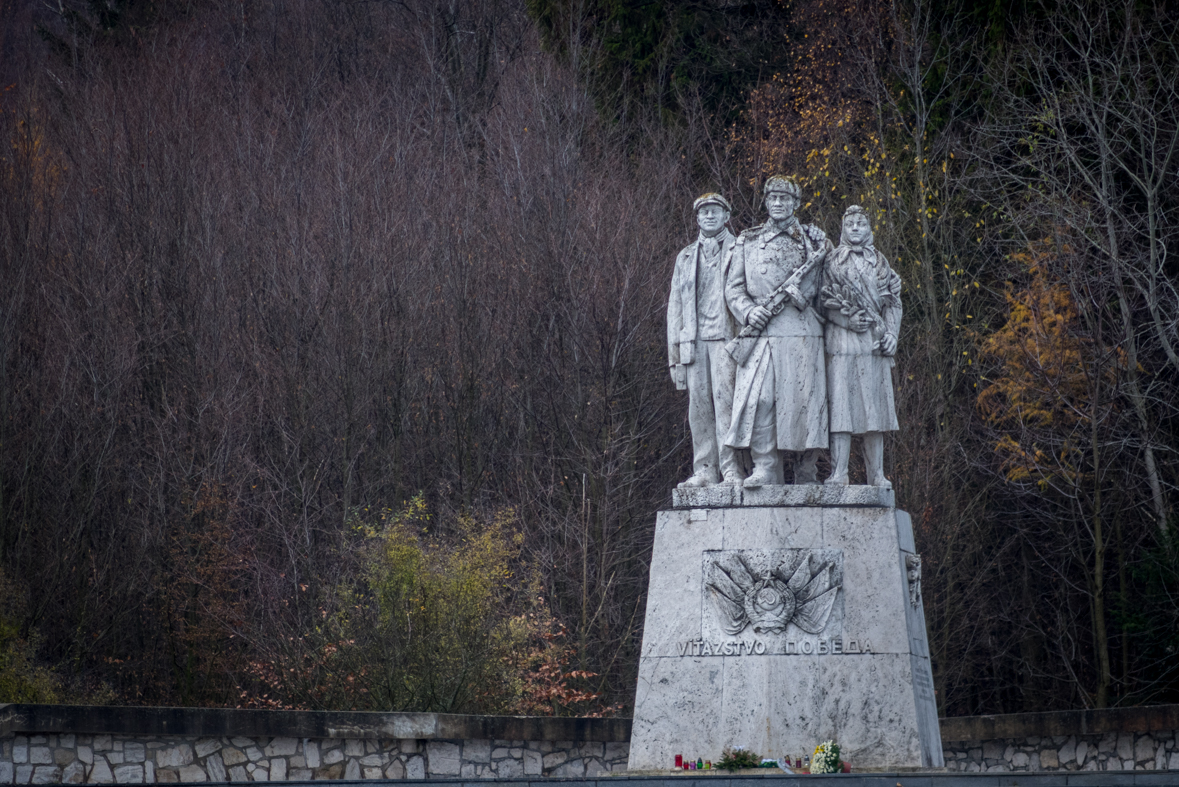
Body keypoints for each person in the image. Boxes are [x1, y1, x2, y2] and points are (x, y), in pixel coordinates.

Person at [723, 176, 830, 487]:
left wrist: (805, 297)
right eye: (773, 198)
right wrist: (748, 311)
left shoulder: (813, 241)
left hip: (800, 331)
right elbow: (734, 289)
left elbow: (827, 285)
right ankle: (766, 467)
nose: (778, 203)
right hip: (762, 331)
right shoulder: (748, 239)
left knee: (804, 403)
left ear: (796, 204)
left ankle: (806, 471)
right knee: (761, 401)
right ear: (766, 202)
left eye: (785, 198)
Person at [820, 204, 901, 488]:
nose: (855, 228)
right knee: (841, 411)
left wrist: (892, 333)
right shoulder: (831, 261)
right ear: (843, 228)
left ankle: (876, 474)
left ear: (870, 229)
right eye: (851, 223)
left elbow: (892, 302)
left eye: (861, 223)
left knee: (874, 413)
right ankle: (839, 472)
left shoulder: (880, 261)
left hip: (873, 346)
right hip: (841, 345)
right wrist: (844, 319)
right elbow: (821, 303)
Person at [667, 193, 744, 488]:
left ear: (726, 216)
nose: (709, 216)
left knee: (727, 406)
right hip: (693, 343)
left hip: (727, 339)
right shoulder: (685, 257)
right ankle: (705, 470)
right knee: (698, 409)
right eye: (704, 212)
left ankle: (732, 469)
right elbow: (674, 308)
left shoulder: (740, 249)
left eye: (715, 211)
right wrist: (674, 357)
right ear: (697, 218)